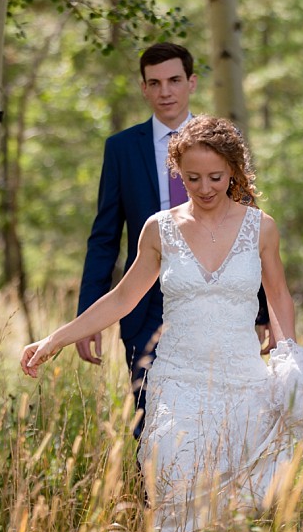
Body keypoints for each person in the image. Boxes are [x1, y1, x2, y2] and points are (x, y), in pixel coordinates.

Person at [22, 115, 303, 532]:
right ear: (178, 172)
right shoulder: (160, 229)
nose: (204, 187)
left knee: (235, 515)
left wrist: (288, 355)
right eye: (193, 177)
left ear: (235, 172)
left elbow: (278, 294)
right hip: (177, 380)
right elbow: (123, 297)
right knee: (170, 494)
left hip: (242, 380)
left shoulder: (261, 228)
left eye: (216, 177)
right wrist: (58, 337)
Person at [75, 42, 271, 440]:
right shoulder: (121, 149)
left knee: (225, 427)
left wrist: (263, 310)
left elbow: (249, 232)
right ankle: (156, 500)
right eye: (155, 83)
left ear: (191, 83)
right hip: (144, 305)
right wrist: (86, 318)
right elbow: (105, 237)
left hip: (217, 308)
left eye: (175, 80)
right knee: (154, 426)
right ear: (144, 88)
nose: (166, 91)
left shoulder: (222, 141)